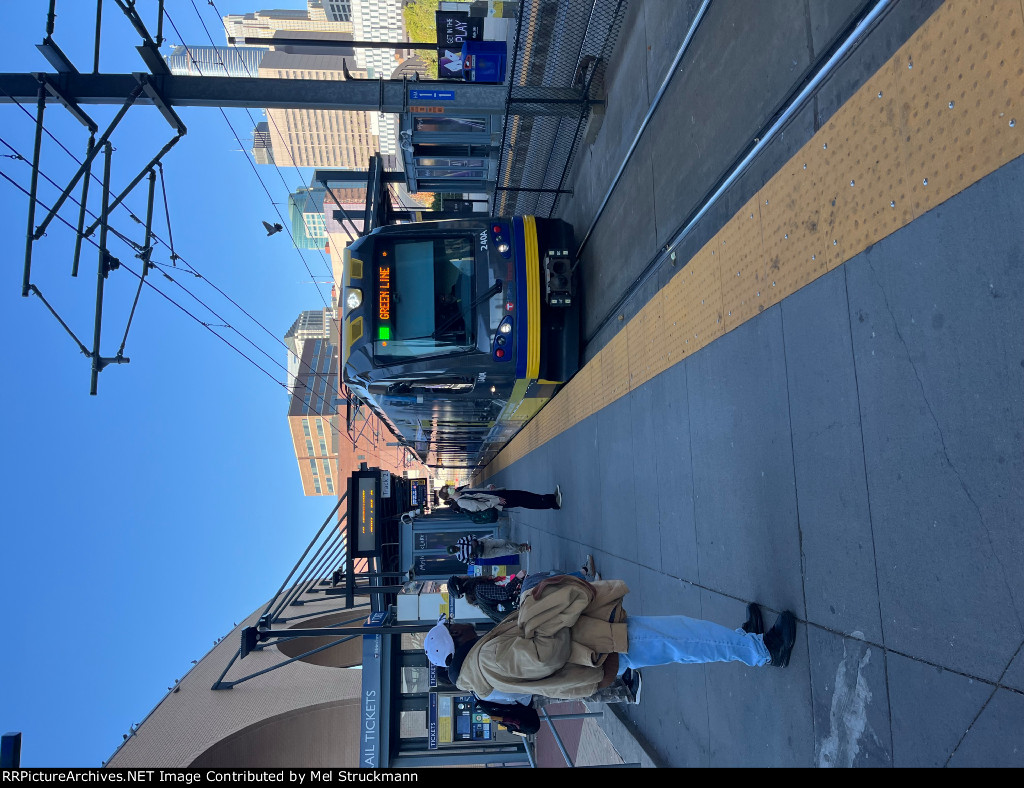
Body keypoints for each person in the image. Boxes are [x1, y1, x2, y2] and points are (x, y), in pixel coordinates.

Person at [422, 574, 796, 702]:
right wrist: (543, 613)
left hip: (597, 650)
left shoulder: (483, 666)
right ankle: (763, 650)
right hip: (598, 646)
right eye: (451, 626)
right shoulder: (486, 660)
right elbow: (545, 656)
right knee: (682, 637)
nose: (457, 623)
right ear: (454, 637)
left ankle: (741, 643)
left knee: (681, 642)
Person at [439, 482, 562, 512]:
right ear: (449, 497)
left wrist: (489, 487)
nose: (451, 488)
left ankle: (550, 498)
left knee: (524, 495)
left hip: (498, 494)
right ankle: (551, 503)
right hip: (499, 501)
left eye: (449, 487)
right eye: (448, 490)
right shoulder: (461, 502)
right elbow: (481, 506)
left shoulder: (463, 490)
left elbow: (480, 492)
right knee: (525, 501)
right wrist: (497, 500)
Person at [447, 534, 531, 564]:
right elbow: (471, 562)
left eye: (455, 547)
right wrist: (472, 557)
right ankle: (524, 549)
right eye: (455, 550)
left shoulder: (461, 541)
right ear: (454, 553)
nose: (457, 549)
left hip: (484, 543)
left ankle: (518, 546)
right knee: (505, 551)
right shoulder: (460, 558)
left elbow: (472, 536)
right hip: (485, 554)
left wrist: (474, 540)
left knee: (503, 542)